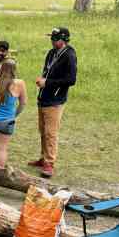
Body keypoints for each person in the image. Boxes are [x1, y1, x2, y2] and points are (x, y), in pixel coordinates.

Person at [31, 27, 77, 178]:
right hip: (44, 97)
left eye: (55, 38)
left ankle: (49, 163)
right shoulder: (51, 53)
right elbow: (48, 71)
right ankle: (43, 157)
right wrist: (43, 81)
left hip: (55, 100)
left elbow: (71, 80)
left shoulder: (69, 56)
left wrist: (48, 83)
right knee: (42, 130)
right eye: (52, 38)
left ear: (63, 40)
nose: (52, 41)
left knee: (51, 133)